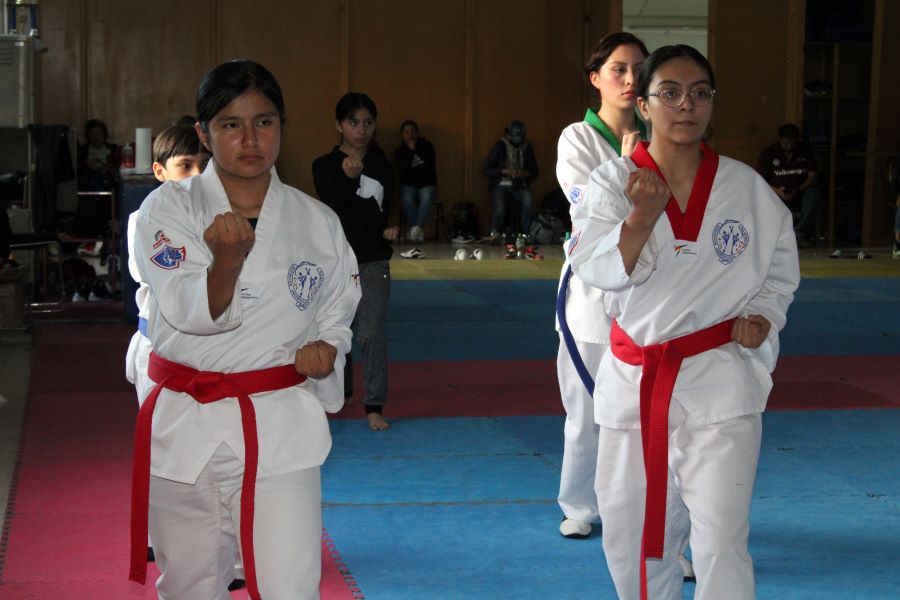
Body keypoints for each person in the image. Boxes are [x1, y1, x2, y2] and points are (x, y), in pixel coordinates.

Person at [568, 45, 800, 599]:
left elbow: (779, 269)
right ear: (644, 106)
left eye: (699, 93)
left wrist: (763, 315)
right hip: (637, 381)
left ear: (712, 104)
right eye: (669, 93)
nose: (686, 105)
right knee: (630, 537)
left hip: (720, 378)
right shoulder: (611, 182)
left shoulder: (746, 189)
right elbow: (594, 268)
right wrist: (639, 219)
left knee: (721, 539)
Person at [129, 60, 361, 600]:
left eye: (264, 122)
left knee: (290, 586)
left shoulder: (316, 220)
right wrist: (226, 263)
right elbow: (185, 309)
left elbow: (339, 302)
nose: (250, 139)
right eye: (231, 124)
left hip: (277, 420)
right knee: (188, 585)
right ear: (204, 133)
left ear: (282, 127)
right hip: (186, 422)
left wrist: (330, 345)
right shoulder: (167, 209)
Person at [123, 123, 252, 590]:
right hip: (160, 352)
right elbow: (169, 283)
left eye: (202, 164)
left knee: (229, 456)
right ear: (159, 172)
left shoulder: (231, 216)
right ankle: (163, 539)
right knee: (168, 453)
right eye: (184, 166)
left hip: (219, 352)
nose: (196, 174)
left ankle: (238, 560)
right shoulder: (144, 219)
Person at [554, 31, 648, 540]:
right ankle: (579, 504)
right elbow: (589, 206)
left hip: (647, 288)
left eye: (639, 69)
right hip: (590, 291)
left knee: (640, 410)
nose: (631, 79)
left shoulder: (661, 134)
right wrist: (626, 165)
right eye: (618, 69)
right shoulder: (577, 138)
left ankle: (636, 507)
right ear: (596, 78)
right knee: (585, 406)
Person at [313, 92, 397, 431]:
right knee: (337, 331)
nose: (361, 130)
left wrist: (390, 226)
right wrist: (348, 179)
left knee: (370, 332)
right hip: (337, 262)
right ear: (339, 125)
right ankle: (342, 391)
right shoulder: (324, 165)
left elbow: (385, 205)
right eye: (353, 122)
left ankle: (374, 404)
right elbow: (332, 203)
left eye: (367, 123)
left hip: (374, 259)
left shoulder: (382, 165)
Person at [756, 123, 822, 247]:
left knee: (814, 195)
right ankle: (773, 237)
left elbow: (812, 176)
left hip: (800, 192)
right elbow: (760, 180)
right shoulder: (769, 153)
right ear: (780, 139)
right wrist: (777, 191)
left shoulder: (806, 151)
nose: (789, 147)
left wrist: (798, 190)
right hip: (777, 193)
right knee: (762, 197)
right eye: (786, 144)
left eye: (792, 143)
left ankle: (799, 234)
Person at [483, 120, 539, 242]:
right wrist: (506, 171)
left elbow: (535, 172)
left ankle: (526, 233)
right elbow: (487, 170)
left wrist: (524, 173)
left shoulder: (527, 148)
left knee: (528, 200)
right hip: (501, 184)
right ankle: (495, 232)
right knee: (500, 205)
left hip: (520, 185)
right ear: (508, 135)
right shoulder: (500, 147)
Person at [394, 120, 437, 243]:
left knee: (427, 197)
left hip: (426, 182)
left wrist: (415, 151)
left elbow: (429, 166)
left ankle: (415, 230)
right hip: (409, 184)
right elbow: (404, 170)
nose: (410, 135)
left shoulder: (427, 146)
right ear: (402, 135)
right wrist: (411, 151)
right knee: (406, 198)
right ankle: (417, 231)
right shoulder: (399, 152)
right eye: (407, 132)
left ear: (417, 133)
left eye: (413, 132)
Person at [77, 118, 120, 191]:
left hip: (109, 184)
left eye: (99, 133)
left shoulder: (112, 148)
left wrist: (110, 168)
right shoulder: (82, 150)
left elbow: (118, 166)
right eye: (93, 134)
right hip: (89, 185)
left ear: (104, 135)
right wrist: (87, 166)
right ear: (88, 136)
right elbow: (78, 171)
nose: (97, 137)